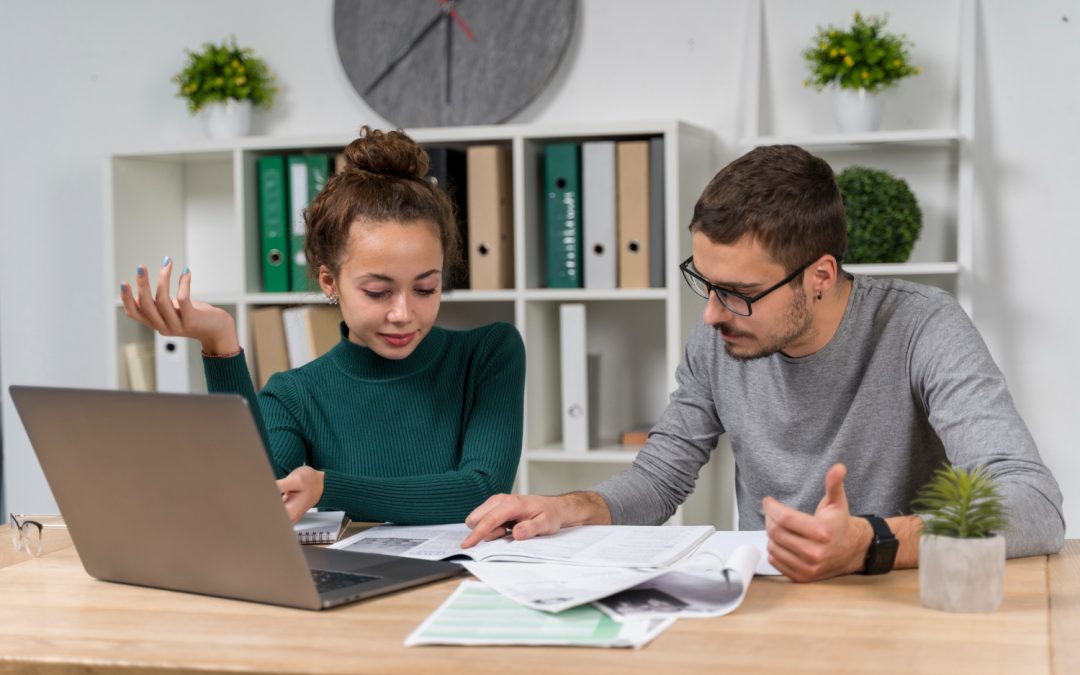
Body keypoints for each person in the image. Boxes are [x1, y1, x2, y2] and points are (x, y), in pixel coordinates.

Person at [462, 144, 1065, 582]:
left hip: (898, 600)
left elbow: (1034, 506)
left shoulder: (923, 327)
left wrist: (869, 542)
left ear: (820, 275)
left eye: (739, 293)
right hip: (766, 600)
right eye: (705, 282)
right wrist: (567, 508)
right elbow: (659, 479)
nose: (711, 315)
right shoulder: (721, 336)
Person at [121, 126, 525, 525]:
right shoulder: (294, 396)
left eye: (425, 288)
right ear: (330, 281)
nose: (403, 313)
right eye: (378, 292)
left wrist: (327, 487)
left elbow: (482, 490)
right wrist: (219, 342)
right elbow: (253, 497)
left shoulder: (488, 354)